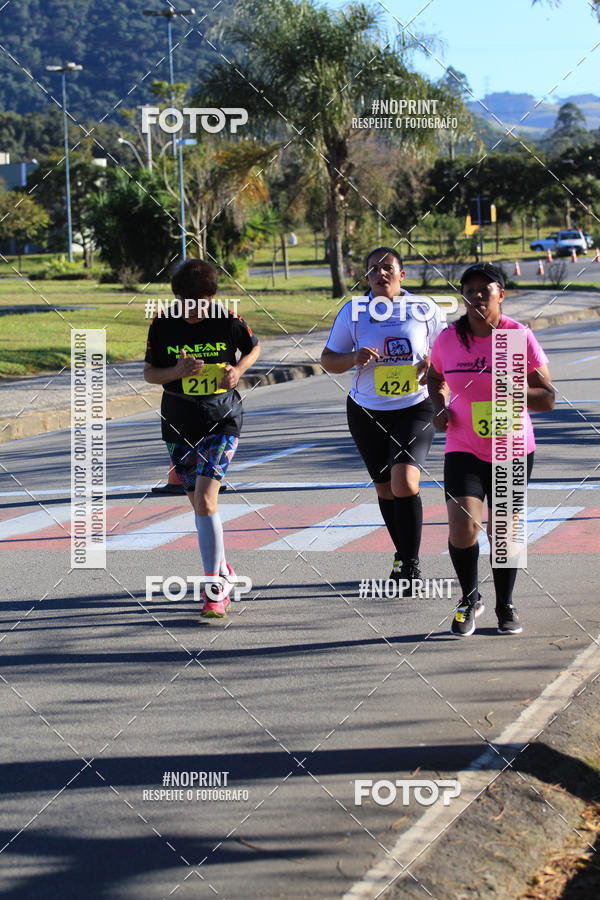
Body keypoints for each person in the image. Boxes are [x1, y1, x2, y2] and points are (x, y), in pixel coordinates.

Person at [427, 262, 555, 637]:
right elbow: (435, 377)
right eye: (470, 290)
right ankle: (468, 598)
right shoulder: (449, 339)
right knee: (463, 525)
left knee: (504, 532)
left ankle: (505, 603)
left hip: (512, 446)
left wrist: (513, 390)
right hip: (463, 445)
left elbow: (547, 398)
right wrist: (439, 406)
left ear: (502, 294)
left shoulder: (518, 337)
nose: (477, 295)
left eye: (486, 289)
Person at [320, 246, 446, 593]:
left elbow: (447, 350)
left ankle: (411, 563)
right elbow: (328, 360)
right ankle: (402, 555)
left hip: (414, 407)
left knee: (405, 481)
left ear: (401, 274)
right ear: (367, 277)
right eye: (373, 268)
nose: (381, 272)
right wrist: (353, 357)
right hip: (366, 411)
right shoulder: (354, 312)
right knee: (385, 489)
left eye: (388, 267)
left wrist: (432, 363)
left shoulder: (424, 309)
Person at [144, 258, 260, 617]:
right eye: (188, 303)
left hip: (222, 417)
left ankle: (214, 590)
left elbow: (255, 347)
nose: (196, 311)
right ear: (178, 297)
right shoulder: (162, 325)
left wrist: (237, 370)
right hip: (179, 421)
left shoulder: (228, 320)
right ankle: (224, 571)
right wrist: (176, 370)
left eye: (202, 303)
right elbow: (149, 373)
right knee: (199, 505)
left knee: (208, 500)